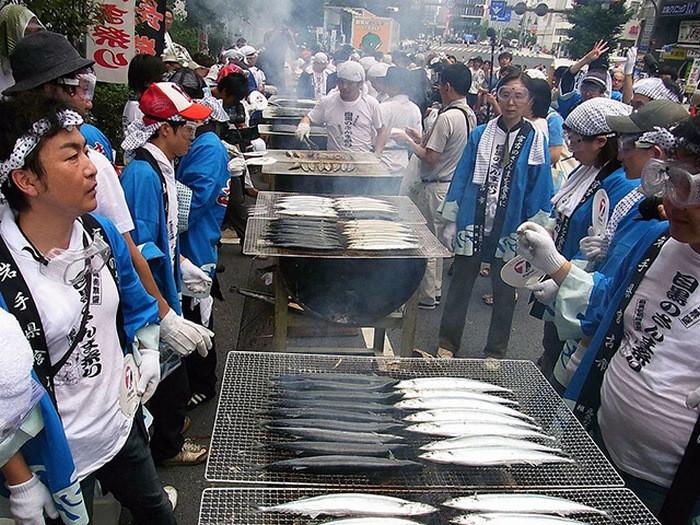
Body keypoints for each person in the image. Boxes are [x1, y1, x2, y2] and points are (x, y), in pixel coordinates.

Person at [0, 93, 176, 524]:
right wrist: (19, 479)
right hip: (55, 454)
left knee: (155, 513)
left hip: (118, 425)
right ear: (27, 180)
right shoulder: (5, 269)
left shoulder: (100, 234)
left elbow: (136, 303)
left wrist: (149, 349)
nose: (92, 166)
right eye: (72, 155)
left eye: (87, 150)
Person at [516, 116, 700, 524]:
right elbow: (610, 302)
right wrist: (559, 268)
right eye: (669, 182)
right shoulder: (662, 243)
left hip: (670, 488)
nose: (671, 202)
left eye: (689, 189)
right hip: (599, 444)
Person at [121, 82, 214, 467]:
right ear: (165, 129)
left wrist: (182, 267)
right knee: (170, 380)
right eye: (187, 129)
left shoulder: (160, 165)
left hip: (164, 289)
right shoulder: (143, 174)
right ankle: (168, 448)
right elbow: (140, 251)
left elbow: (165, 237)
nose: (193, 137)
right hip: (150, 301)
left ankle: (166, 432)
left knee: (170, 377)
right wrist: (163, 311)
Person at [437, 69, 553, 358]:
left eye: (519, 96)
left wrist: (536, 229)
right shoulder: (480, 134)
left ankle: (495, 351)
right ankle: (447, 343)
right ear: (496, 97)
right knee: (461, 284)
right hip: (473, 220)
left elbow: (539, 187)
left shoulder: (536, 140)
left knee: (505, 290)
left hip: (512, 225)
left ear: (529, 101)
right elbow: (462, 176)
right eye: (505, 94)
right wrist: (451, 218)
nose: (511, 102)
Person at [529, 97, 638, 382]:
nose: (570, 147)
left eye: (576, 141)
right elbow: (565, 213)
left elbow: (606, 249)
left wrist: (562, 277)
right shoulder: (587, 170)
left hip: (584, 288)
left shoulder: (623, 184)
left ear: (601, 142)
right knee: (551, 347)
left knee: (566, 365)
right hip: (563, 276)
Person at [395, 63, 476, 310]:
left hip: (435, 186)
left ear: (448, 87)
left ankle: (427, 295)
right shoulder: (468, 114)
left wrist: (408, 143)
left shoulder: (447, 117)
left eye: (440, 84)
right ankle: (437, 290)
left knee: (425, 241)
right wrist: (419, 138)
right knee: (439, 242)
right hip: (451, 186)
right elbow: (446, 148)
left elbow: (431, 157)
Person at [171, 80, 231, 410]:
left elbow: (193, 202)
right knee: (190, 313)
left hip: (195, 246)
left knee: (197, 318)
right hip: (190, 243)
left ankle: (204, 384)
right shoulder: (204, 145)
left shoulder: (207, 148)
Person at [296, 61, 387, 154]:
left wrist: (377, 154)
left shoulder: (371, 104)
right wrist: (304, 125)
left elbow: (381, 131)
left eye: (350, 83)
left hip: (362, 158)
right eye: (341, 82)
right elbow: (309, 117)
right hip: (334, 158)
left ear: (360, 84)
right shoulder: (327, 101)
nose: (344, 87)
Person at [379, 67, 422, 175]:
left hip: (383, 160)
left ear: (393, 86)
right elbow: (418, 138)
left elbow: (374, 136)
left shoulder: (384, 107)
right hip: (404, 162)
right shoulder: (415, 109)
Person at [0, 4, 43, 94]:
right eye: (27, 33)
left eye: (36, 33)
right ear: (11, 33)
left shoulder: (42, 65)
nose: (32, 40)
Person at [124, 54, 167, 135]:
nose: (164, 81)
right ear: (147, 82)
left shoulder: (136, 102)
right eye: (161, 78)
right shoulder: (138, 108)